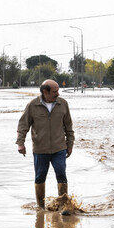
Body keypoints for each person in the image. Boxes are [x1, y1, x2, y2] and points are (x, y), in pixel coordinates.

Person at [16, 79, 75, 209]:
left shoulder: (63, 104)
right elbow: (23, 125)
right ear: (45, 92)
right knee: (40, 177)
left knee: (61, 174)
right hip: (40, 150)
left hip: (59, 148)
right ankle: (41, 207)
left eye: (58, 91)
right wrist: (20, 143)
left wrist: (70, 144)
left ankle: (64, 206)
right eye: (55, 91)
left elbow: (69, 127)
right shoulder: (32, 105)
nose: (58, 94)